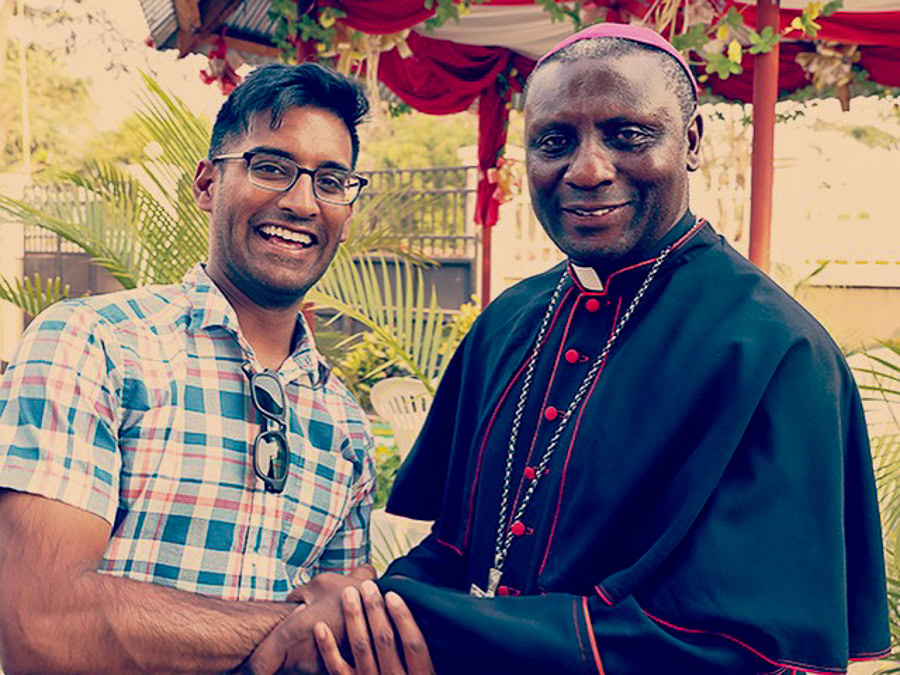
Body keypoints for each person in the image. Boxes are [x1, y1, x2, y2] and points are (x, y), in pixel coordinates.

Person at [317, 23, 891, 675]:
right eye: (555, 141)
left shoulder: (776, 351)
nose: (587, 169)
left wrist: (407, 616)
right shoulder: (506, 322)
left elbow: (739, 648)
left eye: (628, 135)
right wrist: (366, 613)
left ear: (692, 142)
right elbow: (452, 550)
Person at [0, 62, 385, 674]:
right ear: (207, 184)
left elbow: (339, 641)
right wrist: (286, 631)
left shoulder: (345, 429)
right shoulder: (94, 344)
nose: (301, 201)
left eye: (331, 180)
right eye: (270, 167)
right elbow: (39, 625)